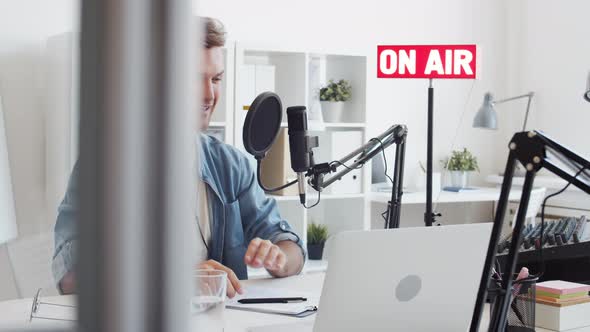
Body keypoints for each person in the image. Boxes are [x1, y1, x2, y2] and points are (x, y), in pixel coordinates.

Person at [51, 17, 306, 298]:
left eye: (216, 79)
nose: (209, 94)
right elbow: (71, 275)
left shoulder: (230, 165)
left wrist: (279, 258)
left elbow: (291, 248)